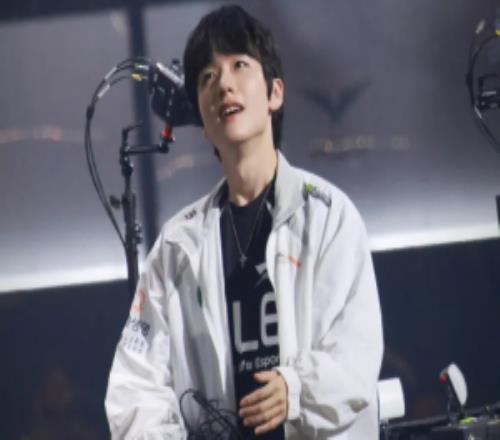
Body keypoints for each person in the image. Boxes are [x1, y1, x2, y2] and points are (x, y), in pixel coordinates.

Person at [105, 4, 383, 439]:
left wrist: (295, 389)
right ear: (201, 120)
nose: (224, 84)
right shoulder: (176, 246)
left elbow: (356, 352)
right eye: (207, 77)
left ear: (275, 93)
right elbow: (136, 385)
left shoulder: (329, 216)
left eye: (239, 65)